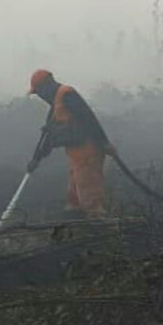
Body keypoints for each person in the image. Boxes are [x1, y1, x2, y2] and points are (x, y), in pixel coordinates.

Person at [27, 69, 116, 219]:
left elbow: (89, 119)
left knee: (89, 197)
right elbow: (48, 136)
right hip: (77, 157)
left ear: (47, 86)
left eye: (39, 92)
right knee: (74, 197)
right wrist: (36, 159)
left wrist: (104, 143)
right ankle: (73, 225)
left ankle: (99, 228)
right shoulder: (57, 104)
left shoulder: (67, 95)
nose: (41, 97)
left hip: (88, 153)